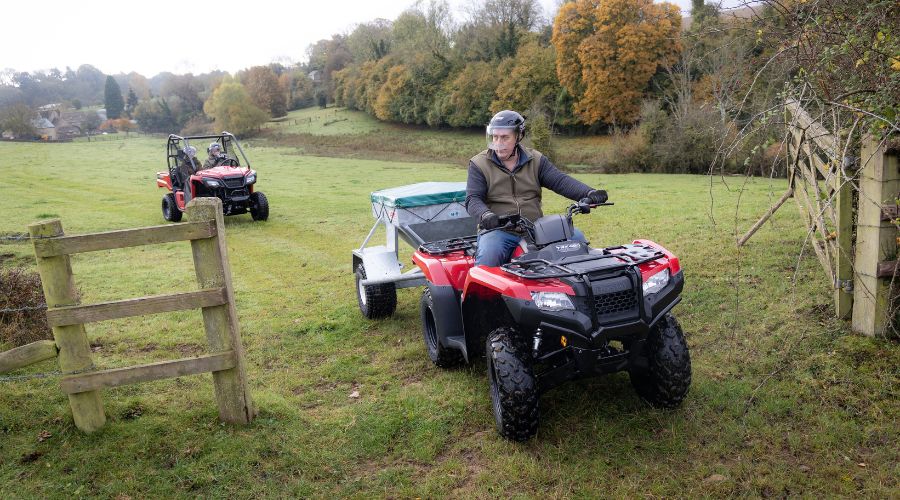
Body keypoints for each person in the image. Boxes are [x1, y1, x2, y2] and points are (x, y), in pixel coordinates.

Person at [465, 110, 608, 267]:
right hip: (499, 230)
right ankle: (478, 284)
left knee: (577, 240)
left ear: (519, 136)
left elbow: (560, 181)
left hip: (535, 227)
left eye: (505, 137)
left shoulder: (536, 160)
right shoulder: (479, 164)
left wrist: (589, 193)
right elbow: (473, 199)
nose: (498, 143)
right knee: (488, 260)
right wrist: (485, 215)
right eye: (495, 137)